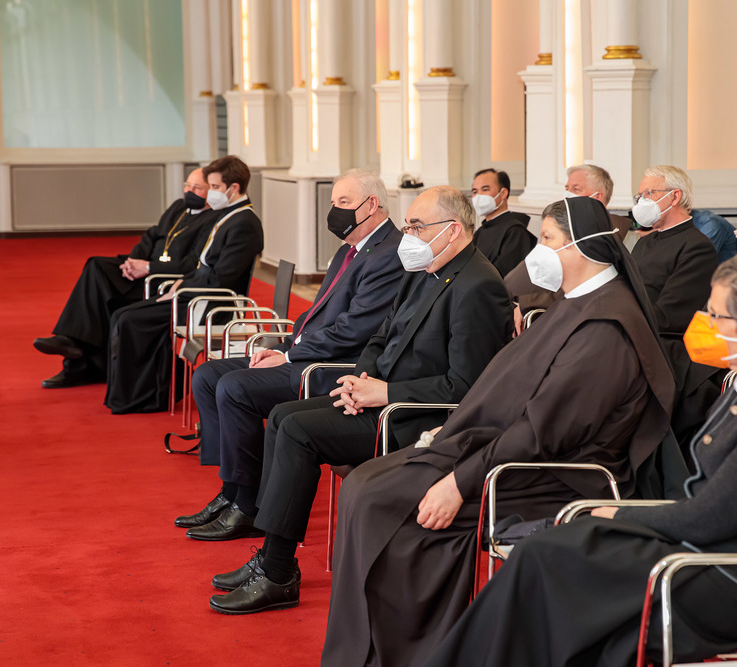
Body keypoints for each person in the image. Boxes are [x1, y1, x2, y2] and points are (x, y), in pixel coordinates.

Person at [425, 253, 737, 667]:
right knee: (545, 552)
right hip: (699, 553)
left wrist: (618, 515)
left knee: (550, 562)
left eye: (715, 315)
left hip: (736, 577)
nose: (704, 323)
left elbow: (712, 517)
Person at [320, 197, 677, 666]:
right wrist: (455, 432)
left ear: (582, 247)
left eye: (547, 239)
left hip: (553, 474)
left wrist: (458, 482)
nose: (538, 251)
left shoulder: (606, 326)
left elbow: (546, 433)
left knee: (379, 500)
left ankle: (400, 654)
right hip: (505, 449)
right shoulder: (580, 301)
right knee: (366, 483)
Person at [204, 185, 514, 614]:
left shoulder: (479, 285)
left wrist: (385, 393)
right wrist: (359, 379)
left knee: (296, 430)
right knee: (280, 416)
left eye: (417, 226)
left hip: (414, 416)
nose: (408, 235)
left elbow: (467, 387)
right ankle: (271, 558)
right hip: (378, 398)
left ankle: (277, 572)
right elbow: (381, 337)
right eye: (408, 225)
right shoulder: (424, 269)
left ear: (453, 230)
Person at [176, 169, 405, 539]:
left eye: (343, 202)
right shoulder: (350, 249)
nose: (335, 210)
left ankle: (247, 504)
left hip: (333, 367)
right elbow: (314, 316)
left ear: (371, 204)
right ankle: (232, 490)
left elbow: (354, 330)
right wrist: (283, 347)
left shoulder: (388, 254)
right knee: (208, 376)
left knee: (235, 388)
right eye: (333, 202)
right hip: (307, 354)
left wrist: (289, 355)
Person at [103, 155, 264, 414]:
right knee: (122, 314)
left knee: (131, 319)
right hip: (197, 293)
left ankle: (145, 396)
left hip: (212, 304)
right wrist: (181, 282)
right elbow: (203, 265)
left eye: (215, 187)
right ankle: (138, 393)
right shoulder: (228, 215)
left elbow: (223, 279)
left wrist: (183, 287)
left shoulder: (245, 222)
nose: (211, 193)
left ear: (234, 188)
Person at [31, 168, 217, 388]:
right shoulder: (179, 207)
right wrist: (133, 261)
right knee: (97, 267)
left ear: (212, 191)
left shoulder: (213, 219)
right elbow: (152, 235)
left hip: (163, 279)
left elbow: (193, 264)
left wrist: (147, 267)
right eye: (187, 185)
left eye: (197, 188)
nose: (189, 191)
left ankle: (77, 359)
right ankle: (73, 345)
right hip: (142, 269)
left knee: (102, 295)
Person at [630, 165, 720, 451]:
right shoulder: (644, 244)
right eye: (639, 196)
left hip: (666, 348)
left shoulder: (696, 246)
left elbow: (668, 317)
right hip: (634, 335)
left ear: (675, 196)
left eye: (648, 193)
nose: (642, 201)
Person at [507, 163, 629, 333]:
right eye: (567, 188)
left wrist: (525, 303)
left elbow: (575, 283)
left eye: (575, 189)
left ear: (597, 197)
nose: (567, 194)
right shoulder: (566, 227)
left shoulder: (603, 237)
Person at [470, 168, 535, 277]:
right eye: (475, 192)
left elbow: (504, 276)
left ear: (503, 193)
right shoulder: (480, 231)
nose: (478, 196)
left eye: (485, 189)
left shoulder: (515, 232)